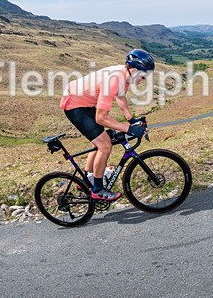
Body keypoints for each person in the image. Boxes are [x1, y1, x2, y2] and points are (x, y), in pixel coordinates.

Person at [60, 49, 154, 201]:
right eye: (143, 76)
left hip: (84, 101)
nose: (144, 80)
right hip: (74, 105)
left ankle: (86, 179)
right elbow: (101, 118)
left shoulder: (124, 75)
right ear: (134, 70)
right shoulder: (114, 80)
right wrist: (130, 129)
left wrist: (131, 119)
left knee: (101, 139)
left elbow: (121, 97)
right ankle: (97, 190)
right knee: (105, 145)